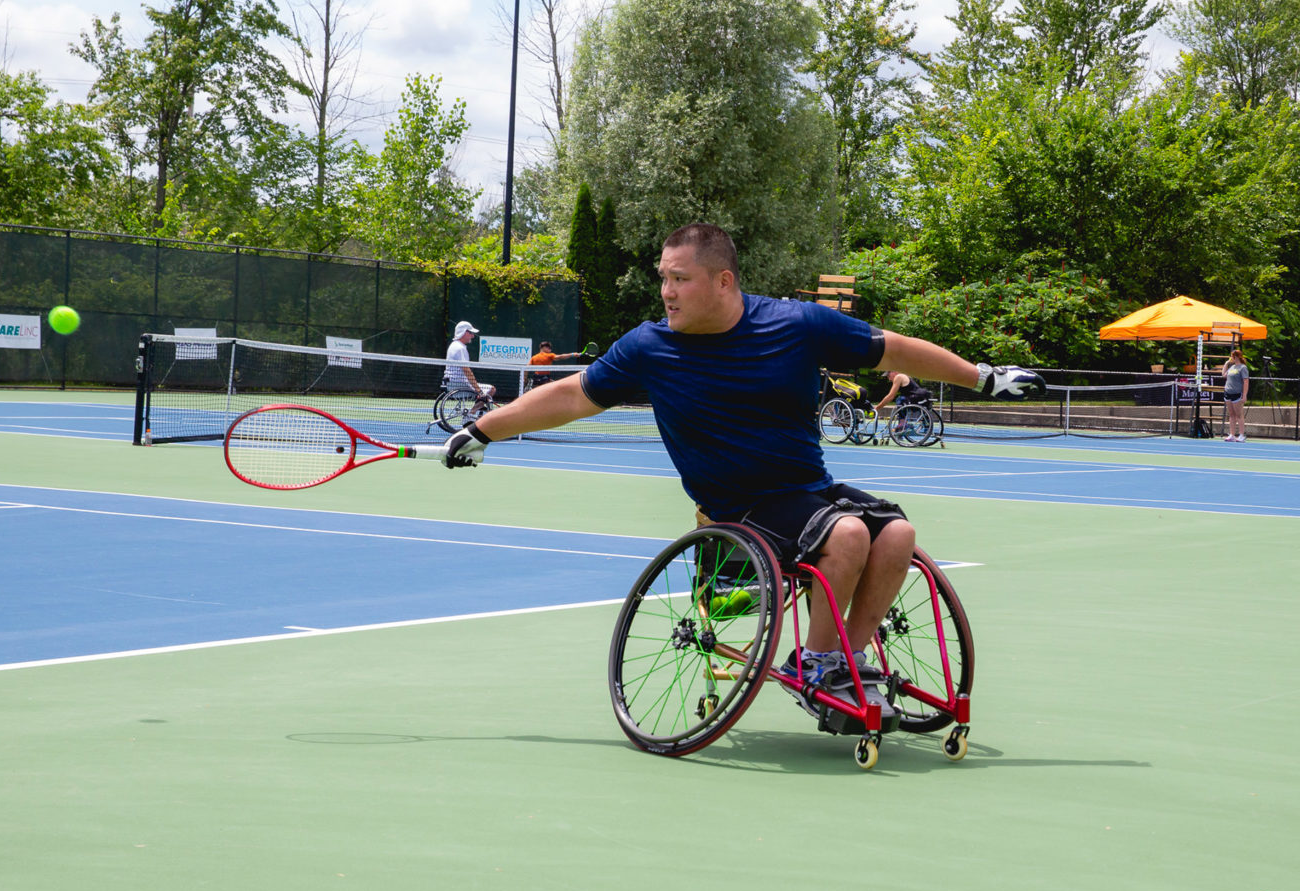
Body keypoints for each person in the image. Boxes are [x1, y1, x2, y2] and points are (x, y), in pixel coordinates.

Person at [440, 223, 1044, 725]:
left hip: (807, 495)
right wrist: (484, 429)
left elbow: (894, 348)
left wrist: (982, 377)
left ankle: (843, 657)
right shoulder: (650, 347)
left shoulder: (795, 325)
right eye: (664, 279)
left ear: (722, 281)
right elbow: (571, 396)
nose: (667, 293)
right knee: (850, 534)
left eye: (680, 279)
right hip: (733, 509)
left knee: (898, 534)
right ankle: (818, 664)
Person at [443, 321, 494, 400]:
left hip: (451, 383)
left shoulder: (454, 345)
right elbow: (467, 370)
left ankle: (477, 409)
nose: (473, 336)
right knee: (492, 389)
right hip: (460, 384)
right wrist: (479, 391)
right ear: (464, 332)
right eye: (471, 333)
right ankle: (473, 412)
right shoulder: (460, 348)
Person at [1221, 348, 1249, 442]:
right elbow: (1224, 375)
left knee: (1239, 415)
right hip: (1228, 392)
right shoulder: (1232, 367)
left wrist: (1244, 395)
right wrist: (1226, 364)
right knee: (1231, 415)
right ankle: (1232, 434)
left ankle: (1241, 435)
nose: (1231, 358)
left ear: (1236, 357)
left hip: (1237, 393)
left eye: (1232, 356)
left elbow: (1245, 381)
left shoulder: (1243, 367)